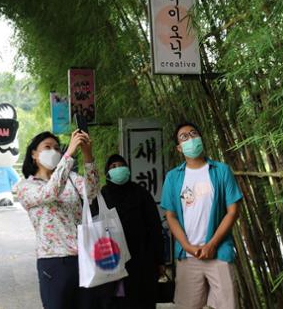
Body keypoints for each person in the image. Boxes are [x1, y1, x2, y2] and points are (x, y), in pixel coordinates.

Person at [160, 122, 243, 309]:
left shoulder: (221, 171)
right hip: (188, 256)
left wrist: (212, 244)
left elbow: (233, 211)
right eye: (184, 137)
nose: (190, 139)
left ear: (201, 138)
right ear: (179, 149)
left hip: (219, 252)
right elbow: (170, 216)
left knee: (228, 305)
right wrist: (187, 246)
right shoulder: (173, 177)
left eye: (193, 134)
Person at [17, 130, 98, 309]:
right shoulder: (25, 187)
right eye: (47, 147)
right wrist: (68, 155)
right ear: (34, 154)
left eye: (56, 148)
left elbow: (92, 192)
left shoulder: (71, 178)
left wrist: (87, 155)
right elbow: (51, 192)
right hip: (53, 262)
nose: (53, 151)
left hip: (84, 258)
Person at [90, 154, 165, 308]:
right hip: (114, 263)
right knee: (117, 303)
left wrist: (160, 260)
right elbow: (94, 231)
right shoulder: (102, 196)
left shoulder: (141, 193)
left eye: (121, 165)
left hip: (143, 260)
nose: (118, 169)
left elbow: (155, 227)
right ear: (107, 173)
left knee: (143, 301)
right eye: (113, 167)